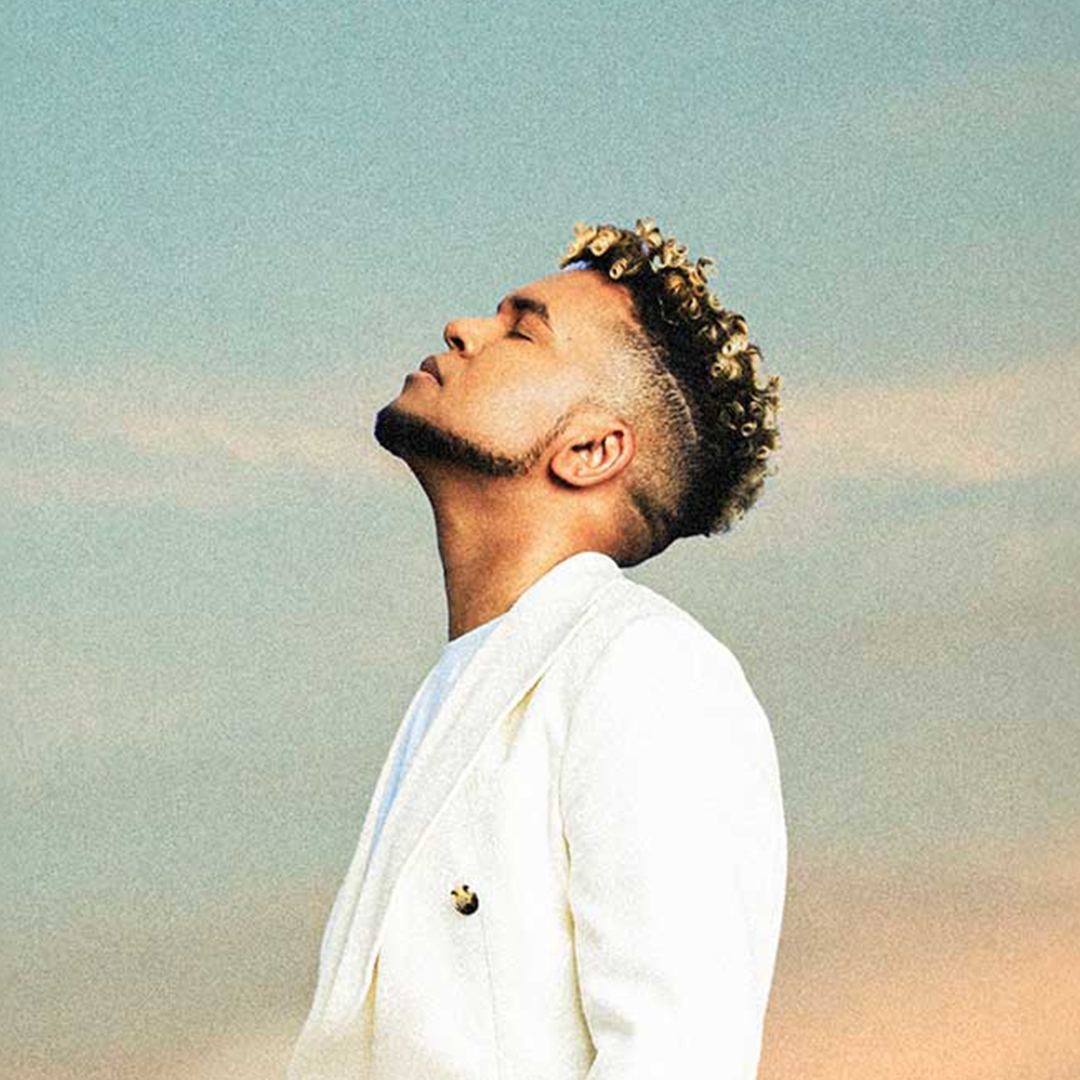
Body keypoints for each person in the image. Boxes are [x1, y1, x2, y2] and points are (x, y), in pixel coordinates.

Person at [288, 218, 787, 1079]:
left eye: (521, 331)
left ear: (589, 450)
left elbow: (680, 1056)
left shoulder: (647, 671)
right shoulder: (460, 694)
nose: (463, 329)